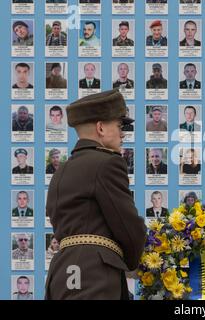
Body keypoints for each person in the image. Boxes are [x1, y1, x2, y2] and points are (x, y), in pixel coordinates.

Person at [45, 89, 147, 300]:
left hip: (61, 271)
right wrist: (131, 262)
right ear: (100, 128)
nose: (123, 134)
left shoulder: (61, 170)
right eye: (119, 126)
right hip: (94, 273)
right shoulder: (108, 162)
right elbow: (129, 227)